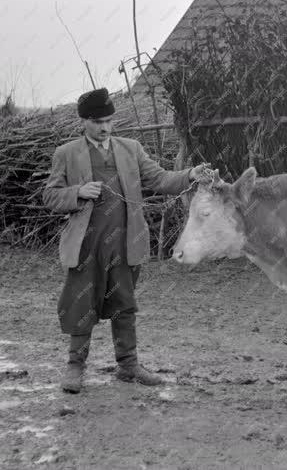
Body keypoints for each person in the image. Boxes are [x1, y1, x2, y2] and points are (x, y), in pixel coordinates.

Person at [43, 87, 210, 393]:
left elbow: (160, 179)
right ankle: (75, 367)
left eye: (108, 120)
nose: (104, 127)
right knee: (81, 303)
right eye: (97, 122)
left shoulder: (130, 148)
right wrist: (77, 192)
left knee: (124, 303)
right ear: (84, 121)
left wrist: (190, 175)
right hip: (86, 245)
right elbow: (50, 195)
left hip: (124, 242)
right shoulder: (66, 153)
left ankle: (128, 365)